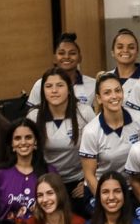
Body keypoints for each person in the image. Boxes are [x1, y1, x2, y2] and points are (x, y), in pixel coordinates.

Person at [27, 67, 96, 214]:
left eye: (60, 85)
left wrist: (87, 181)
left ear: (69, 89)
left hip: (78, 179)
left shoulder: (84, 112)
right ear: (43, 91)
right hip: (46, 180)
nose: (54, 90)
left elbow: (98, 148)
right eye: (49, 86)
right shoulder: (34, 116)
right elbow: (28, 156)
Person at [80, 72, 140, 212]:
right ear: (99, 98)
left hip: (130, 187)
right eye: (107, 93)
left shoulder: (139, 119)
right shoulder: (91, 131)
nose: (114, 96)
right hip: (100, 189)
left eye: (117, 90)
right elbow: (89, 175)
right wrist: (107, 201)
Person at [0, 119, 52, 224]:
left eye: (28, 137)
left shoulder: (49, 172)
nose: (23, 142)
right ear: (12, 144)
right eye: (17, 138)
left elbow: (58, 212)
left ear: (36, 142)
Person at [27, 33, 97, 109]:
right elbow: (31, 116)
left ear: (80, 58)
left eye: (72, 53)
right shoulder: (41, 85)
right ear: (54, 58)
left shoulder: (94, 85)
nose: (66, 57)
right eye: (61, 53)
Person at [109, 28, 140, 98]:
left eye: (131, 47)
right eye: (120, 47)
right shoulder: (105, 78)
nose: (125, 50)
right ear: (112, 52)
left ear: (137, 52)